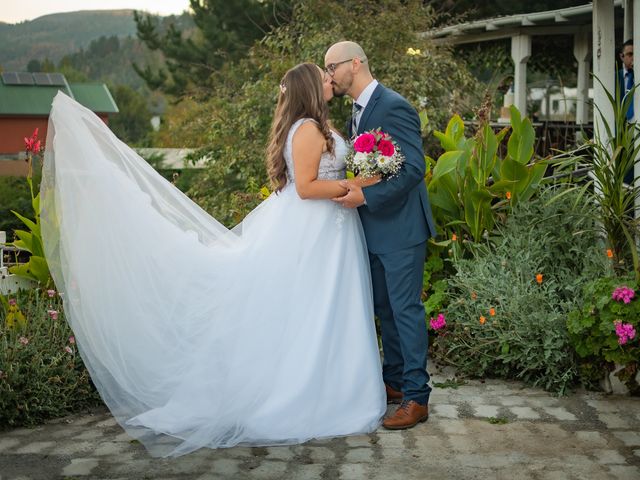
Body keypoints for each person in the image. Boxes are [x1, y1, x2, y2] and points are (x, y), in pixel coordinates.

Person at [40, 63, 386, 458]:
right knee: (312, 311)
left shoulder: (315, 125)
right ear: (310, 88)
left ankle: (333, 388)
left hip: (330, 231)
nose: (330, 79)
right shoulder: (307, 129)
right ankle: (306, 395)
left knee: (321, 312)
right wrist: (354, 185)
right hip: (315, 228)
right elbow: (306, 187)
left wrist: (362, 177)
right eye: (323, 76)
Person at [324, 41, 437, 430]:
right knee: (385, 310)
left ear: (355, 63)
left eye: (332, 66)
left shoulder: (393, 105)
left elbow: (413, 169)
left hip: (402, 229)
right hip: (373, 227)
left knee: (405, 310)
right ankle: (393, 381)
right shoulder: (358, 111)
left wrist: (365, 195)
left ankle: (417, 397)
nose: (329, 75)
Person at [618, 39, 636, 185]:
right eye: (629, 54)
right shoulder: (613, 77)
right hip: (621, 132)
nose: (633, 58)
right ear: (622, 56)